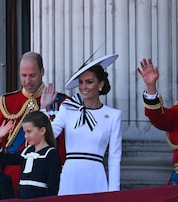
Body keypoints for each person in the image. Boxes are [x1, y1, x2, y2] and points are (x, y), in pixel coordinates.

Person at [41, 54, 122, 195]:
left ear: (100, 84)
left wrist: (114, 192)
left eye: (89, 82)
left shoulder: (114, 115)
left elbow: (115, 157)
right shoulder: (67, 108)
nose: (83, 87)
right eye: (81, 82)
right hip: (70, 176)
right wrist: (44, 108)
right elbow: (46, 137)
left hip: (96, 177)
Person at [0, 51, 68, 196]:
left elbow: (63, 147)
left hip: (44, 178)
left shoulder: (61, 102)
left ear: (42, 72)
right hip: (11, 177)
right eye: (23, 75)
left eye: (32, 75)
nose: (27, 81)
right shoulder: (6, 102)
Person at [0, 110, 61, 199]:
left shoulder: (51, 154)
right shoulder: (26, 152)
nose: (26, 136)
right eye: (25, 132)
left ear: (42, 130)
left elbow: (53, 186)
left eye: (29, 131)